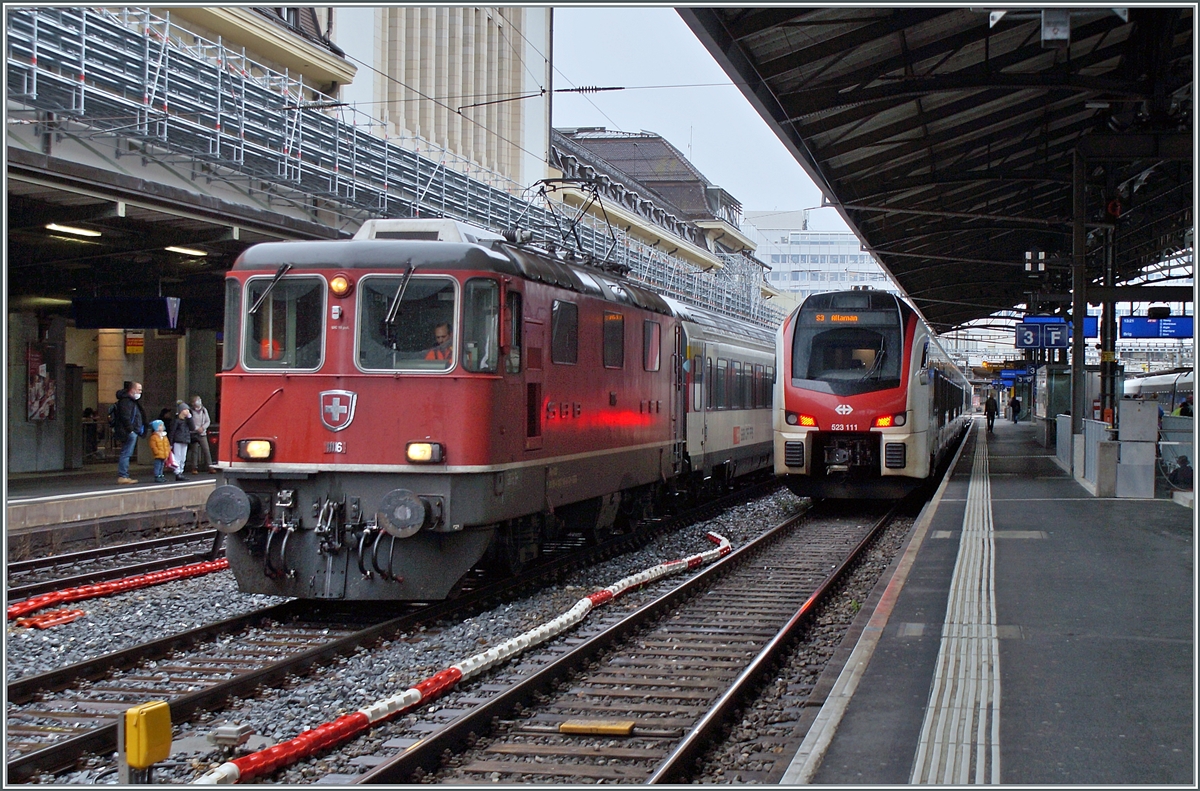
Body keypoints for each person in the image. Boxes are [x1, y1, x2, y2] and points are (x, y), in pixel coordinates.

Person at [114, 382, 147, 484]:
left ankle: (124, 475)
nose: (140, 392)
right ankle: (123, 475)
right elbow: (125, 417)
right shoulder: (126, 402)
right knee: (126, 453)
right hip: (129, 432)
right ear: (132, 390)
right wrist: (131, 430)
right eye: (139, 390)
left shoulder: (131, 401)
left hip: (131, 431)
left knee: (126, 453)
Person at [187, 395, 215, 474]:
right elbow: (190, 422)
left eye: (199, 400)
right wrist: (196, 428)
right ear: (193, 403)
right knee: (194, 451)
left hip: (202, 433)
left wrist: (203, 428)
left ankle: (210, 466)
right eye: (196, 400)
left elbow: (208, 421)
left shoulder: (204, 410)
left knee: (206, 450)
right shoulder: (191, 411)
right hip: (194, 433)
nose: (199, 401)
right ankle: (194, 467)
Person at [169, 404, 193, 481]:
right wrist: (170, 443)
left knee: (183, 457)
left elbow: (192, 427)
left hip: (185, 440)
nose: (187, 411)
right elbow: (172, 432)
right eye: (186, 410)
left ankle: (181, 471)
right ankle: (177, 472)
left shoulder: (187, 421)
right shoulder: (176, 421)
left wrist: (190, 417)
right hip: (178, 440)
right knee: (177, 457)